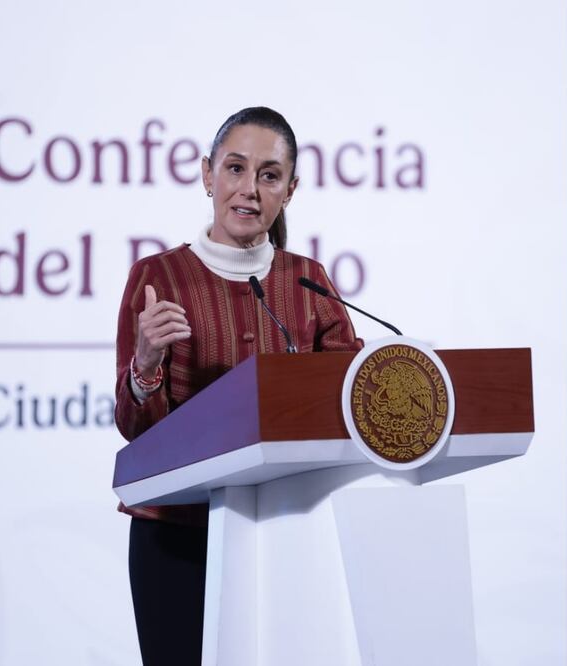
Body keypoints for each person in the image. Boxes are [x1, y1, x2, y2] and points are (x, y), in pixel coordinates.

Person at [113, 106, 362, 665]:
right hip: (177, 534)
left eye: (269, 175)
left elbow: (347, 400)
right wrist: (145, 362)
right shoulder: (159, 277)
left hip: (284, 531)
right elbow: (134, 430)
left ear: (290, 190)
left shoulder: (309, 282)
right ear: (207, 175)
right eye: (235, 168)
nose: (249, 190)